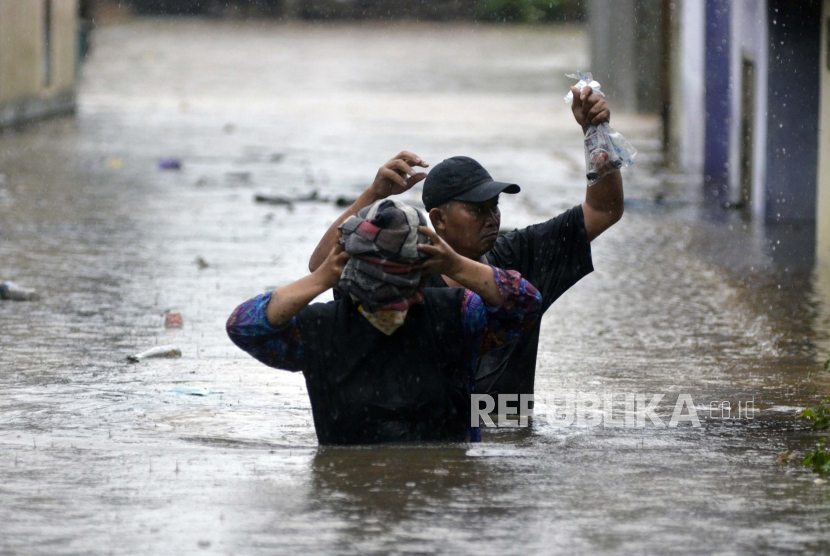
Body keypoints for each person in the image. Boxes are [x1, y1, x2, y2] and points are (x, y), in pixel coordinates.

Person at [308, 86, 621, 402]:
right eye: (476, 209)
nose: (491, 219)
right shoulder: (399, 275)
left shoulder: (522, 254)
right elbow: (322, 268)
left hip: (507, 433)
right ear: (438, 220)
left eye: (494, 206)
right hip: (436, 435)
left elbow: (603, 210)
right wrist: (373, 195)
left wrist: (595, 133)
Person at [227, 199, 542, 445]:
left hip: (434, 505)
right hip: (397, 503)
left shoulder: (457, 315)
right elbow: (244, 326)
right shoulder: (320, 329)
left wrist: (456, 263)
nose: (408, 297)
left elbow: (526, 304)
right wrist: (321, 276)